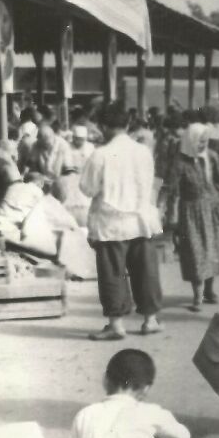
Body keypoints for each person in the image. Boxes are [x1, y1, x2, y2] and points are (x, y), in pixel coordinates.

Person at [80, 102, 163, 340]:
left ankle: (116, 325)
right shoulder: (143, 152)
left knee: (112, 273)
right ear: (127, 124)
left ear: (104, 126)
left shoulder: (100, 155)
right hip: (141, 220)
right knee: (146, 271)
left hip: (110, 223)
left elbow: (87, 188)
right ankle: (150, 320)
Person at [171, 123, 219, 311]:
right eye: (200, 141)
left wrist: (218, 198)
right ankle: (198, 295)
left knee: (212, 250)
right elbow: (170, 186)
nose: (203, 144)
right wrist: (169, 211)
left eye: (205, 141)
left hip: (211, 211)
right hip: (190, 212)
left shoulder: (211, 157)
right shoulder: (180, 161)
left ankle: (209, 291)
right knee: (195, 252)